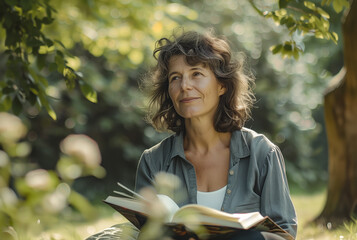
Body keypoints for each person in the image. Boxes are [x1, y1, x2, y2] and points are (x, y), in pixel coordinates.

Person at [87, 29, 297, 240]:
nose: (185, 86)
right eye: (175, 78)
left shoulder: (262, 153)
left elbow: (284, 232)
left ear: (222, 85)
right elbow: (144, 232)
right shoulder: (154, 161)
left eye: (196, 73)